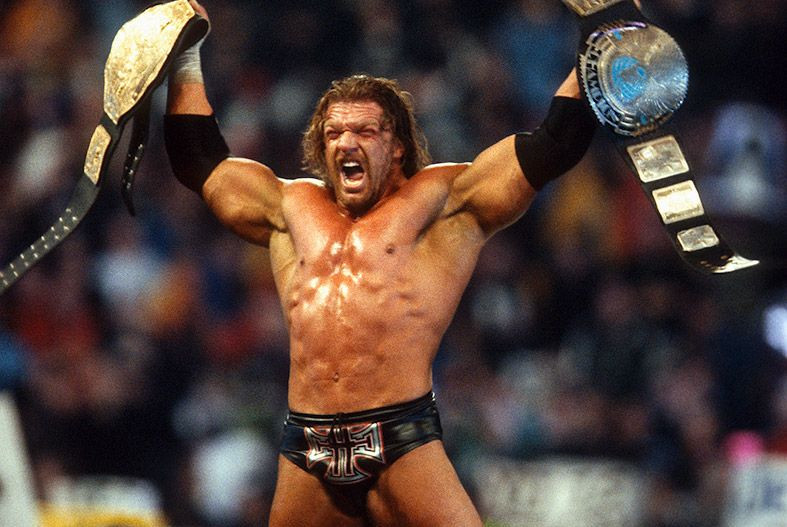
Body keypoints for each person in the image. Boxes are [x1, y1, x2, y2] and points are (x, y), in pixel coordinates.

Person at [164, 2, 596, 525]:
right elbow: (200, 163)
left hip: (399, 439)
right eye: (333, 133)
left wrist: (598, 38)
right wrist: (184, 58)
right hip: (307, 443)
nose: (346, 142)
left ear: (396, 147)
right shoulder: (290, 206)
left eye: (365, 131)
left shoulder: (441, 200)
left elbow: (553, 144)